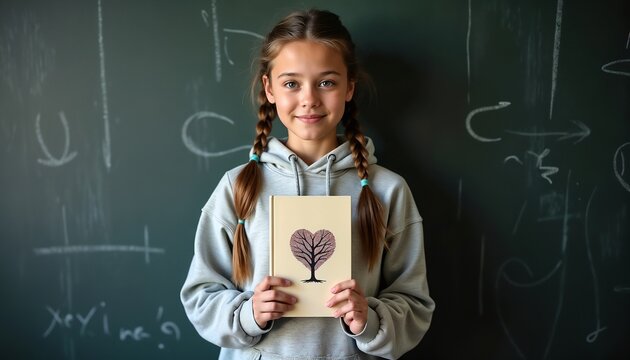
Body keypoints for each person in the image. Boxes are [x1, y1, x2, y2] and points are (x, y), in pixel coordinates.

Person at [180, 8, 434, 360]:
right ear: (269, 88)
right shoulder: (237, 187)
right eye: (291, 83)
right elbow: (200, 295)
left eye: (327, 82)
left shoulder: (387, 190)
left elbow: (414, 304)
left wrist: (369, 319)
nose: (309, 99)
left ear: (349, 88)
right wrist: (249, 314)